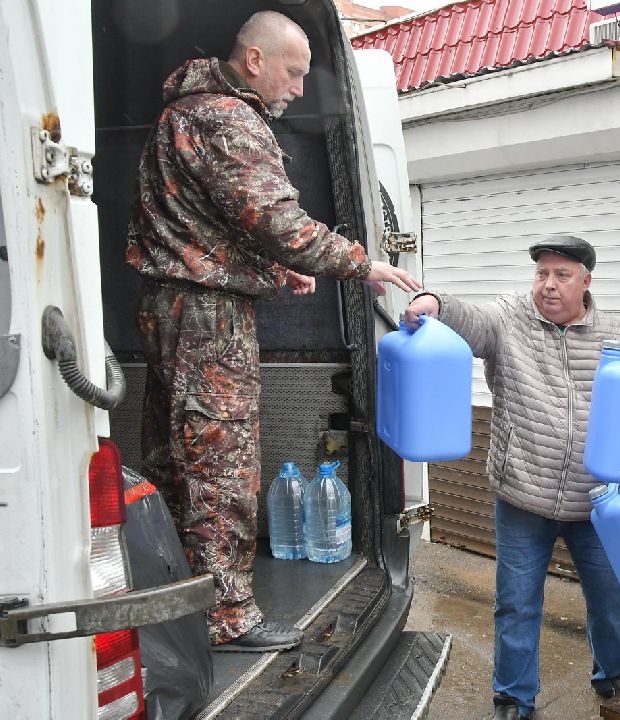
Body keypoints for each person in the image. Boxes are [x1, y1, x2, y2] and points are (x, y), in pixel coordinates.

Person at [126, 11, 421, 652]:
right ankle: (225, 616)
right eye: (292, 72)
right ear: (255, 60)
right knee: (221, 460)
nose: (297, 88)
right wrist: (361, 263)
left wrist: (269, 269)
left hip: (174, 305)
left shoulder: (186, 111)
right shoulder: (227, 117)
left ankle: (172, 594)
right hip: (207, 317)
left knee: (174, 454)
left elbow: (205, 223)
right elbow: (278, 222)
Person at [403, 236, 620, 720]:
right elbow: (472, 319)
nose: (548, 285)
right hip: (523, 492)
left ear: (586, 281)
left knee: (612, 597)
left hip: (594, 498)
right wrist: (435, 303)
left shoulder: (617, 334)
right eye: (541, 273)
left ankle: (614, 673)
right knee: (516, 602)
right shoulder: (509, 319)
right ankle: (512, 696)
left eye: (562, 275)